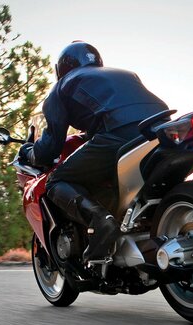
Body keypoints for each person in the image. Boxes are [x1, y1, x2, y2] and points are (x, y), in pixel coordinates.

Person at [19, 41, 167, 263]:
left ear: (61, 68)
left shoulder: (61, 87)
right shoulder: (125, 74)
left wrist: (30, 153)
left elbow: (51, 145)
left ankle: (101, 222)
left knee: (55, 182)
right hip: (161, 129)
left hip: (118, 134)